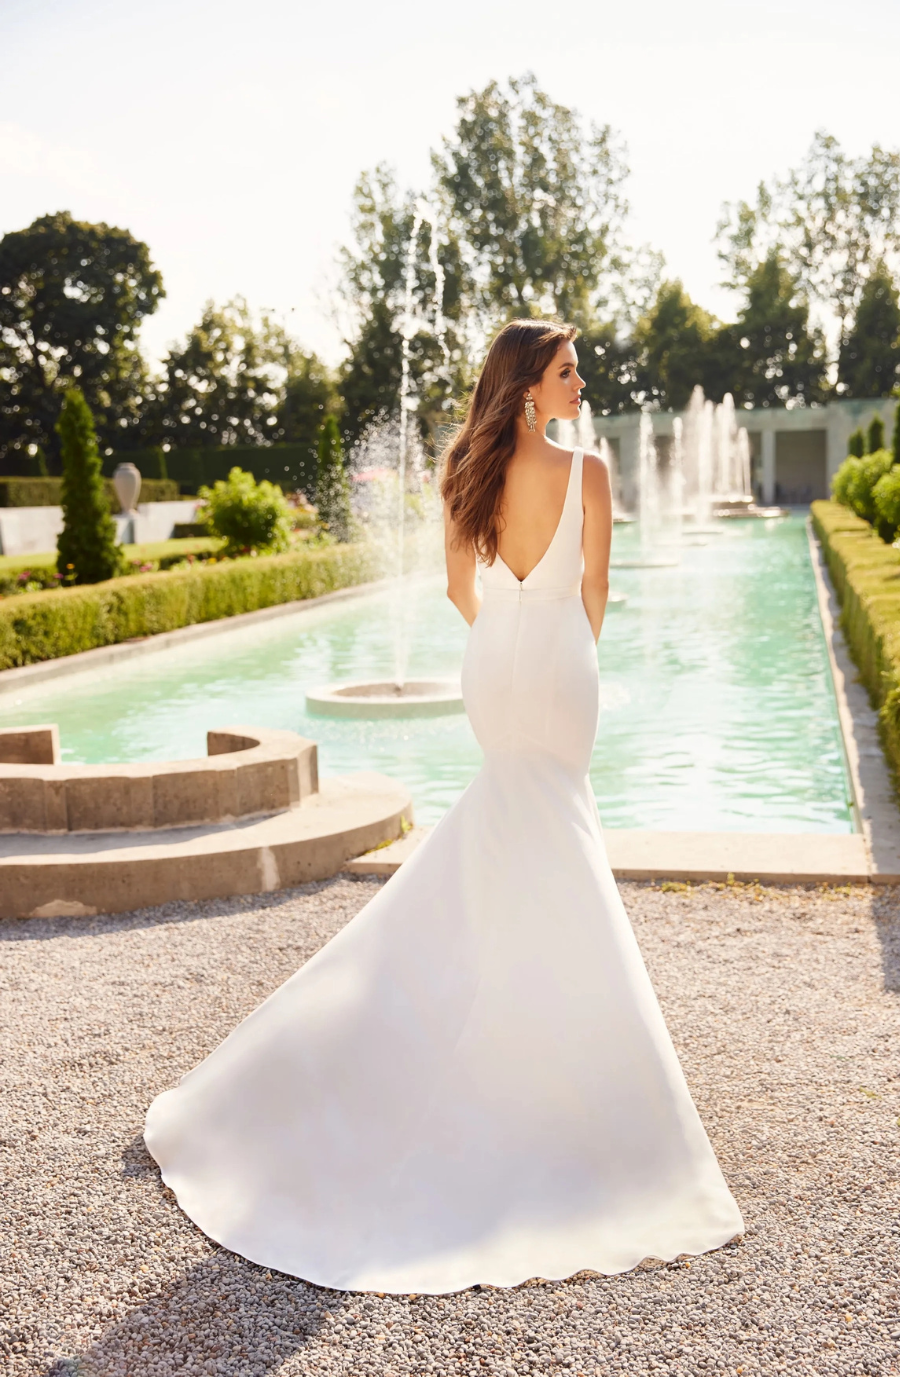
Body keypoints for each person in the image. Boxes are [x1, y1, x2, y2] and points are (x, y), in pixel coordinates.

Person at [145, 319, 743, 1295]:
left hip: (491, 664)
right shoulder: (587, 472)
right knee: (557, 831)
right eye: (567, 371)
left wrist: (505, 634)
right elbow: (594, 590)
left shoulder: (467, 467)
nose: (581, 383)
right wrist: (565, 651)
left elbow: (462, 590)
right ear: (529, 386)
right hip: (561, 666)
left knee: (509, 827)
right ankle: (557, 1073)